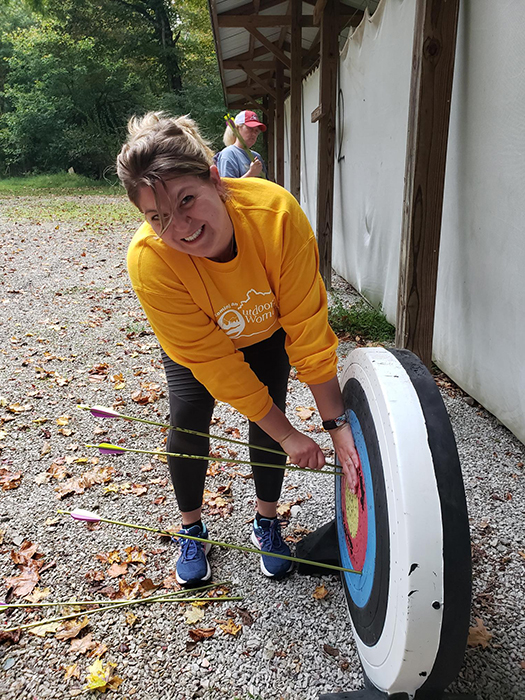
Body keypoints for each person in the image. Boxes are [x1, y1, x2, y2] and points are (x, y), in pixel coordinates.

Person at [116, 112, 359, 586]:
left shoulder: (276, 215)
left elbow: (307, 330)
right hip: (200, 346)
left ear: (215, 179)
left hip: (264, 330)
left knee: (270, 417)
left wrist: (335, 424)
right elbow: (215, 364)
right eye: (158, 217)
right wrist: (292, 436)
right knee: (188, 420)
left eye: (188, 201)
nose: (181, 227)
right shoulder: (150, 261)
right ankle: (192, 529)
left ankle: (266, 522)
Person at [215, 110, 268, 179]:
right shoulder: (229, 154)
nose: (254, 134)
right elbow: (228, 187)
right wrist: (251, 173)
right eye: (250, 128)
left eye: (256, 131)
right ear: (237, 128)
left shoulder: (257, 156)